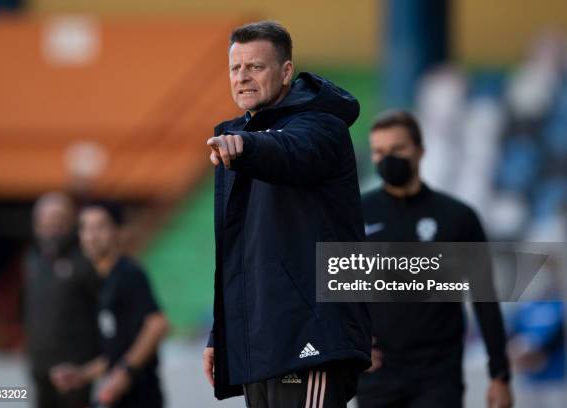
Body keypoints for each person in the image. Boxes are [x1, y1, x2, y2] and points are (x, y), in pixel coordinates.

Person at [203, 20, 371, 408]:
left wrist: (245, 145)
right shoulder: (236, 137)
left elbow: (291, 152)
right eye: (235, 68)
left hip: (311, 335)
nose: (242, 77)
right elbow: (239, 256)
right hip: (263, 342)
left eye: (255, 67)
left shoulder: (322, 127)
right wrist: (220, 334)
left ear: (286, 72)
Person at [355, 110, 513, 408]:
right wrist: (352, 346)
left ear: (420, 150)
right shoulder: (357, 215)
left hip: (438, 376)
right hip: (376, 376)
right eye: (379, 151)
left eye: (398, 149)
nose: (388, 158)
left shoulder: (457, 217)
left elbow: (485, 298)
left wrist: (500, 375)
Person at [50, 201, 169, 408]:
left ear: (120, 232)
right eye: (85, 227)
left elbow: (157, 324)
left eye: (100, 227)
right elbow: (116, 356)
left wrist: (125, 373)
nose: (91, 236)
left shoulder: (128, 273)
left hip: (141, 398)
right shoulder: (104, 283)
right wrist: (82, 375)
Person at [24, 192, 100, 408]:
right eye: (45, 219)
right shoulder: (33, 258)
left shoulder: (86, 259)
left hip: (74, 370)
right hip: (40, 367)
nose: (52, 224)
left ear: (71, 221)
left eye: (58, 217)